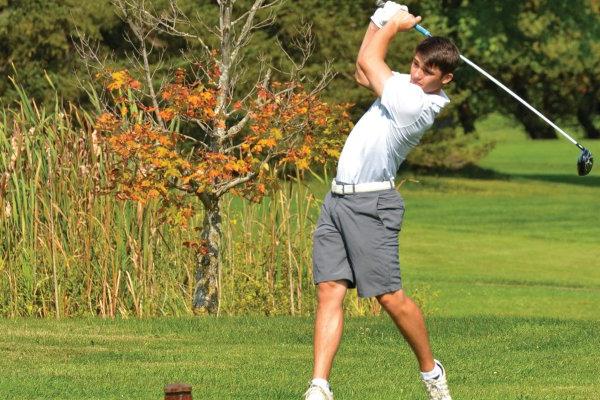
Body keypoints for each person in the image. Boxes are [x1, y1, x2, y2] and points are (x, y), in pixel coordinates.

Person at [303, 2, 460, 400]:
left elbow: (373, 59)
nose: (417, 73)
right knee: (329, 290)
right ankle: (319, 387)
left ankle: (432, 372)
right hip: (338, 199)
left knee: (389, 296)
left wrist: (393, 24)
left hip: (372, 205)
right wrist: (377, 21)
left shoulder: (418, 104)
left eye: (428, 72)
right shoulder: (406, 88)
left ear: (446, 79)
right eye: (416, 64)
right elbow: (362, 68)